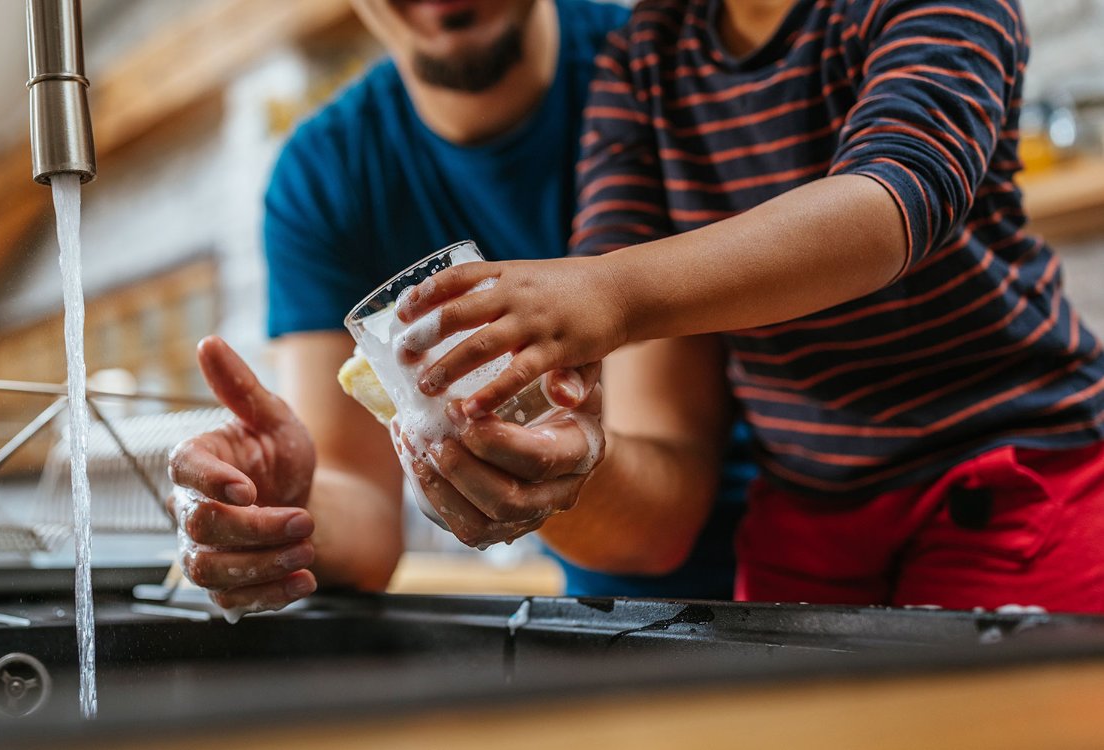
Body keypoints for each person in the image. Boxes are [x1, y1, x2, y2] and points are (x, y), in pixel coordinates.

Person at [396, 0, 1104, 610]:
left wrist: (607, 294)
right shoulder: (645, 53)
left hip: (1016, 476)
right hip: (805, 512)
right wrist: (558, 427)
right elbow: (608, 272)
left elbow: (892, 204)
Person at [168, 0, 755, 617]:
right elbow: (363, 519)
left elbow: (661, 523)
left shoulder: (649, 74)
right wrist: (278, 506)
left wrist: (543, 462)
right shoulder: (325, 175)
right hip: (613, 619)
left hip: (784, 583)